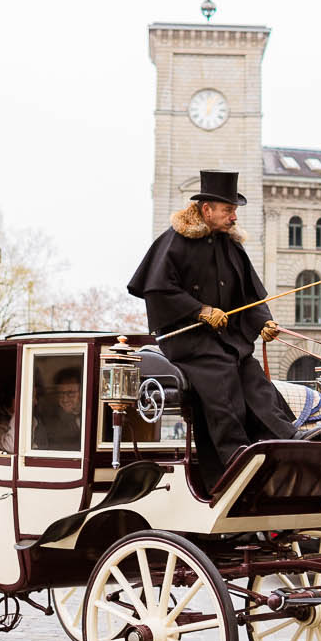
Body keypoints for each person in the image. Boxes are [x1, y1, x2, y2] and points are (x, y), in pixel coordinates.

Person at [127, 170, 294, 477]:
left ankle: (289, 438)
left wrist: (264, 323)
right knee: (221, 374)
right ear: (207, 209)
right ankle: (237, 457)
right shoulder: (173, 242)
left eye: (234, 211)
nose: (233, 217)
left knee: (252, 374)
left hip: (227, 341)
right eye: (228, 210)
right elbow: (158, 289)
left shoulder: (232, 246)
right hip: (188, 342)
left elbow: (250, 297)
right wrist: (200, 310)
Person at [32, 367, 83, 451]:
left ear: (82, 392)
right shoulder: (49, 420)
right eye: (61, 393)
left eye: (70, 393)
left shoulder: (94, 415)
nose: (65, 399)